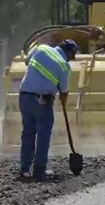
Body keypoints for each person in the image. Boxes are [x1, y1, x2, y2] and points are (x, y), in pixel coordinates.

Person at [19, 39, 78, 181]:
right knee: (43, 137)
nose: (70, 59)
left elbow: (27, 61)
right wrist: (63, 99)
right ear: (69, 52)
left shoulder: (41, 48)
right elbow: (64, 91)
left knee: (28, 133)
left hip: (25, 96)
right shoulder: (64, 66)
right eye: (71, 56)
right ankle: (40, 171)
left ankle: (24, 169)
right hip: (43, 102)